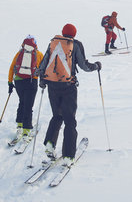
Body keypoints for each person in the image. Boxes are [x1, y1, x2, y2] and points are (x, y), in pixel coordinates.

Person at [37, 23, 101, 166]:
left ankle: (49, 143)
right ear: (74, 33)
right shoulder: (76, 44)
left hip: (52, 86)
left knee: (57, 116)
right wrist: (96, 66)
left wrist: (42, 80)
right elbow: (84, 66)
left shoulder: (53, 43)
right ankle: (68, 156)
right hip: (68, 87)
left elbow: (43, 64)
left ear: (63, 32)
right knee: (70, 121)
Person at [8, 35, 44, 143]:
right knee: (29, 105)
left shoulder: (19, 53)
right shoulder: (39, 54)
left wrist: (10, 82)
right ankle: (26, 131)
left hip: (18, 81)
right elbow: (43, 69)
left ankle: (19, 125)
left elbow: (11, 67)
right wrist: (43, 81)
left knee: (22, 102)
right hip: (31, 81)